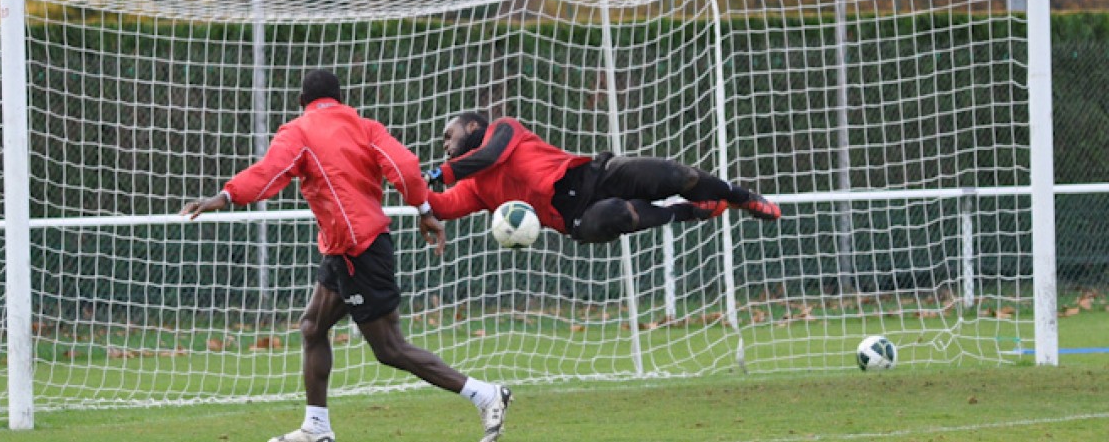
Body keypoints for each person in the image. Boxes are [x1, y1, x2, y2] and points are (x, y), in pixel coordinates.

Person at [180, 71, 512, 442]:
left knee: (390, 348)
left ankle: (485, 395)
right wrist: (422, 208)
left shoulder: (299, 130)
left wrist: (225, 196)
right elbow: (402, 167)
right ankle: (316, 428)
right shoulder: (365, 126)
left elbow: (269, 171)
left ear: (301, 101)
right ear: (339, 99)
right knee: (312, 327)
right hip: (346, 247)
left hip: (359, 249)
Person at [423, 112, 780, 246]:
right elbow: (441, 205)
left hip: (594, 174)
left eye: (447, 137)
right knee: (617, 215)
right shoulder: (473, 188)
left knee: (677, 174)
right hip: (574, 218)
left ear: (472, 127)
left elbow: (489, 156)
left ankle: (741, 196)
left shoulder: (503, 128)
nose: (445, 147)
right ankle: (692, 212)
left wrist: (443, 172)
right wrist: (409, 184)